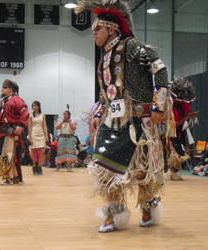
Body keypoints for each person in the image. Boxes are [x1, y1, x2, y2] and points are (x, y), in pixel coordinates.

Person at [76, 0, 174, 232]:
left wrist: (159, 104)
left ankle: (148, 208)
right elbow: (106, 92)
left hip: (139, 120)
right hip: (113, 122)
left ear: (113, 29)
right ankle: (114, 214)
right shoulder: (104, 59)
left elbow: (159, 68)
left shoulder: (132, 47)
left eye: (98, 29)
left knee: (142, 170)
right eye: (93, 30)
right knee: (105, 169)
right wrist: (99, 112)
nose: (94, 34)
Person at [0, 79, 30, 185]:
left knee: (9, 154)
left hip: (12, 131)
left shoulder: (17, 100)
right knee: (6, 154)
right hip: (3, 131)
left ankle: (9, 178)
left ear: (11, 89)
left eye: (5, 87)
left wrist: (21, 125)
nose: (2, 89)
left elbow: (25, 112)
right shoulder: (3, 101)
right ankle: (15, 177)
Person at [167, 78, 197, 180]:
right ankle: (174, 172)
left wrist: (186, 119)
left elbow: (188, 113)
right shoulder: (169, 101)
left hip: (181, 128)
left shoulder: (186, 102)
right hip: (170, 128)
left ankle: (177, 171)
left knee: (181, 149)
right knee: (175, 149)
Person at [28, 101, 49, 175]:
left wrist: (46, 136)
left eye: (36, 106)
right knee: (33, 151)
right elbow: (29, 127)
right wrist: (30, 137)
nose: (34, 107)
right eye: (33, 106)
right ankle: (34, 166)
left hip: (41, 135)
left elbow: (45, 126)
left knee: (42, 151)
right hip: (34, 134)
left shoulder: (43, 115)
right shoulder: (30, 115)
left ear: (39, 107)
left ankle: (40, 166)